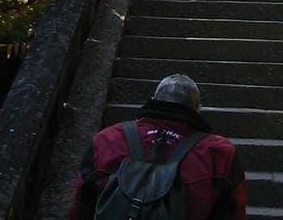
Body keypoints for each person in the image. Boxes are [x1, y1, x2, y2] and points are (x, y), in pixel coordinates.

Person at [68, 73, 247, 220]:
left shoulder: (107, 140)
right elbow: (233, 212)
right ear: (197, 109)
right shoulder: (219, 153)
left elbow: (80, 207)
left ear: (153, 100)